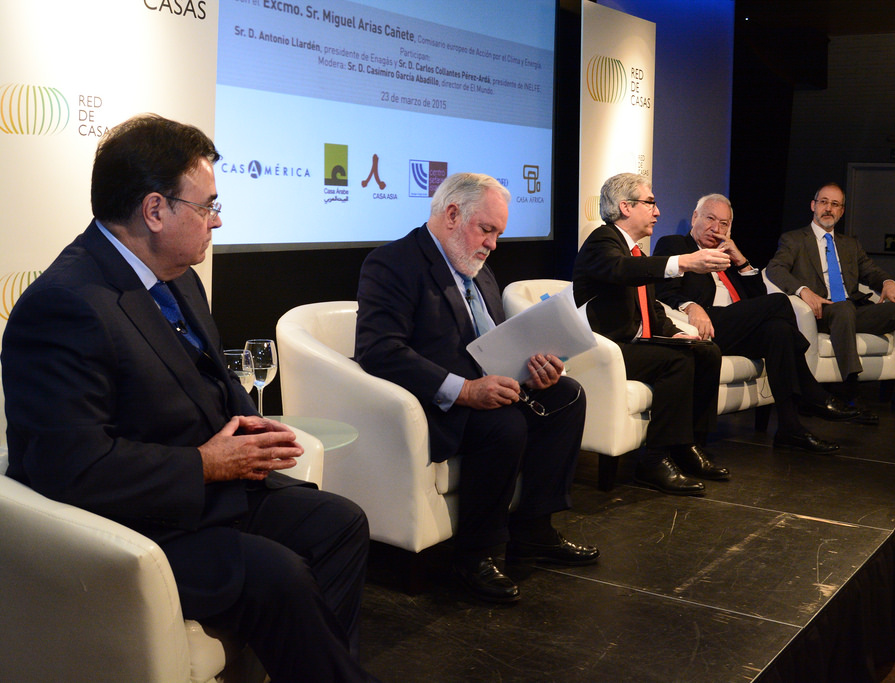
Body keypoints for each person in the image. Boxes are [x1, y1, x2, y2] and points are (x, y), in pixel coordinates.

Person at [1, 114, 376, 683]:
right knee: (277, 573)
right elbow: (70, 466)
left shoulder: (178, 276)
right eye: (206, 207)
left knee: (340, 522)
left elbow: (216, 381)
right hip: (134, 523)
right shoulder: (65, 305)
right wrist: (205, 463)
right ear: (155, 210)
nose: (216, 221)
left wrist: (252, 428)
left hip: (209, 494)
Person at [355, 172, 598, 605]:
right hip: (434, 400)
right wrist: (464, 391)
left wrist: (533, 367)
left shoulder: (478, 268)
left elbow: (495, 341)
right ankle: (475, 555)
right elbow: (379, 350)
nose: (493, 244)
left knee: (567, 396)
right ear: (452, 214)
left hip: (489, 389)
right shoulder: (393, 262)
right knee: (505, 425)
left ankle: (535, 530)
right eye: (487, 230)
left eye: (498, 234)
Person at [653, 194, 861, 454]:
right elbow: (662, 290)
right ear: (695, 218)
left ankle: (789, 428)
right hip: (705, 323)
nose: (716, 229)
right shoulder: (674, 244)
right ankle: (811, 392)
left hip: (735, 327)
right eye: (709, 219)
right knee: (779, 303)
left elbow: (757, 300)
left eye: (724, 224)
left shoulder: (727, 258)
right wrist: (690, 306)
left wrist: (740, 260)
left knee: (779, 330)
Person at [573, 173, 731, 496]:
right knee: (676, 362)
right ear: (625, 207)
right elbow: (620, 272)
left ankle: (688, 446)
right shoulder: (602, 241)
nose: (658, 212)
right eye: (651, 203)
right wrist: (682, 262)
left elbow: (653, 311)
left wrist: (674, 333)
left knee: (704, 350)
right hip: (607, 350)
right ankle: (654, 460)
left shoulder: (638, 255)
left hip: (635, 344)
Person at [766, 182, 895, 418]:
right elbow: (775, 269)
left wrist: (887, 283)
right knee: (843, 310)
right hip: (822, 311)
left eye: (835, 204)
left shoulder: (850, 244)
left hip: (852, 309)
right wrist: (803, 290)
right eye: (823, 202)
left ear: (841, 211)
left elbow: (871, 271)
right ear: (813, 205)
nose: (828, 209)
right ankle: (851, 392)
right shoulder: (794, 239)